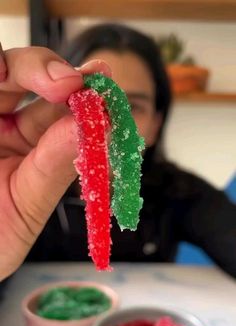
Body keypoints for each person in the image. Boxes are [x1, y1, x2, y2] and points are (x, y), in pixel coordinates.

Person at [0, 24, 236, 282]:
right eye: (92, 100)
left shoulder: (182, 193)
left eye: (133, 106)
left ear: (156, 124)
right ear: (56, 108)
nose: (108, 123)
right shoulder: (15, 180)